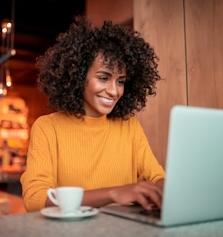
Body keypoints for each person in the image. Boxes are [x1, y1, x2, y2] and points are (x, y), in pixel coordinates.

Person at [20, 16, 165, 212]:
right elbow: (35, 199)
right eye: (103, 78)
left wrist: (166, 189)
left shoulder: (129, 125)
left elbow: (157, 177)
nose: (114, 91)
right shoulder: (48, 127)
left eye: (120, 81)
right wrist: (113, 193)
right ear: (78, 77)